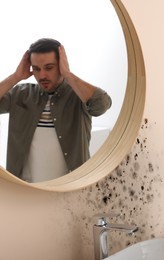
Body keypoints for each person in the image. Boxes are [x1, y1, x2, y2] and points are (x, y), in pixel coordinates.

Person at [0, 38, 112, 182]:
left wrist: (68, 75)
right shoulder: (21, 94)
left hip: (69, 190)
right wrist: (15, 77)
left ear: (61, 65)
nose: (42, 76)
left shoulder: (78, 96)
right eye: (36, 69)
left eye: (49, 67)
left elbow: (101, 105)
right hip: (25, 191)